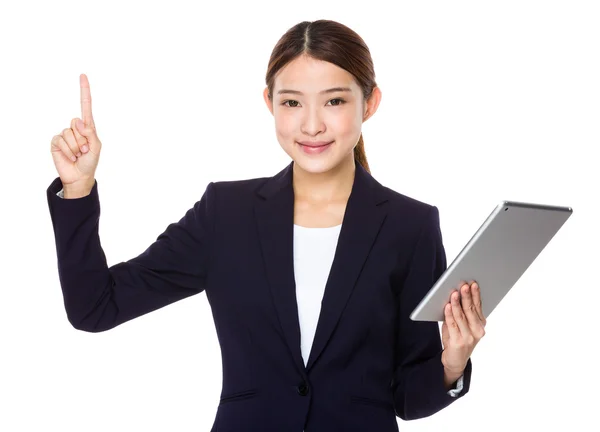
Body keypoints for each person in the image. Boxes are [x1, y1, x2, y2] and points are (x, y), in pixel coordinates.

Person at [46, 19, 486, 432]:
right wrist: (78, 190)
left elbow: (408, 399)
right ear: (269, 102)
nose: (312, 125)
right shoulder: (227, 213)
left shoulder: (410, 225)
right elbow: (94, 307)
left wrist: (451, 363)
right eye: (291, 102)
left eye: (335, 101)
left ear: (369, 103)